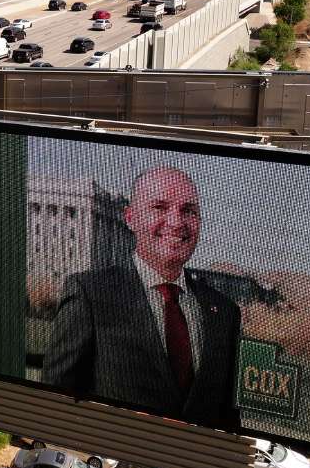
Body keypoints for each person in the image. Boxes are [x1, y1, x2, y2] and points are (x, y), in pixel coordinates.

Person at [42, 166, 242, 431]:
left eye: (189, 211)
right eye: (160, 207)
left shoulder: (225, 312)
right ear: (130, 218)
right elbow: (53, 402)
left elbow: (229, 421)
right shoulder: (89, 294)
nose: (177, 222)